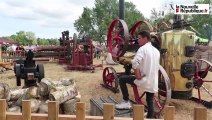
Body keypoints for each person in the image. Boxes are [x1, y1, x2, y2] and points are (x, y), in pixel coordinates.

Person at [115, 31, 160, 118]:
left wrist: (138, 75)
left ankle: (126, 101)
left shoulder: (142, 49)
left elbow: (135, 63)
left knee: (122, 79)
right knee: (149, 100)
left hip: (143, 80)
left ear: (145, 38)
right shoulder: (156, 51)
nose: (137, 40)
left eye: (139, 38)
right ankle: (150, 118)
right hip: (153, 81)